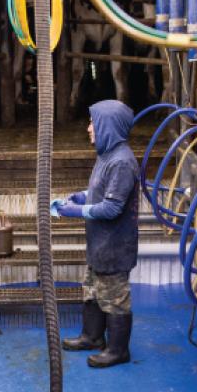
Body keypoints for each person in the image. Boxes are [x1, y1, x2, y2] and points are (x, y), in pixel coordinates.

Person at [51, 99, 139, 368]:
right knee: (92, 290)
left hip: (115, 245)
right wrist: (80, 197)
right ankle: (92, 337)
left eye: (93, 123)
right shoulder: (106, 156)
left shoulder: (122, 162)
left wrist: (75, 212)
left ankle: (118, 350)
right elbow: (102, 193)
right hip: (100, 243)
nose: (89, 128)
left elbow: (112, 207)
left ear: (108, 126)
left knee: (114, 298)